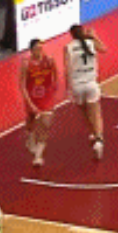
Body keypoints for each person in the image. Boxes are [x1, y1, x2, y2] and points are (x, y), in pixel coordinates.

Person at [64, 25, 107, 160]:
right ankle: (99, 139)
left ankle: (93, 133)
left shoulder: (68, 47)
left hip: (77, 85)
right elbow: (104, 49)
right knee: (96, 113)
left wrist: (68, 88)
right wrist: (94, 36)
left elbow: (67, 70)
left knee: (84, 112)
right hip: (91, 83)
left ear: (71, 35)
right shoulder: (90, 43)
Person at [20, 38, 58, 167]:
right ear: (31, 50)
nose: (40, 51)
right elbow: (22, 85)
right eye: (37, 49)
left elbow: (55, 77)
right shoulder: (26, 64)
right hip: (32, 97)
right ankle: (30, 138)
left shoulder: (49, 60)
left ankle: (38, 156)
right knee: (30, 119)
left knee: (46, 124)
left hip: (46, 97)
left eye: (41, 48)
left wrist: (52, 92)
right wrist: (29, 103)